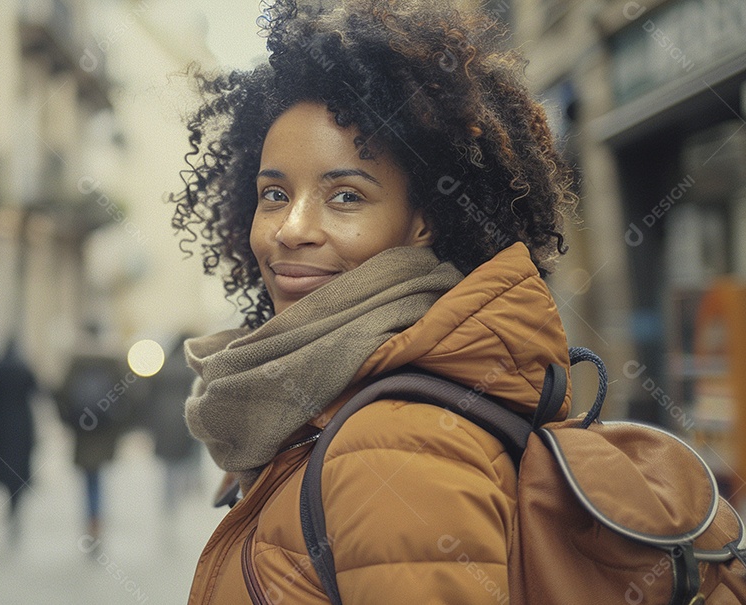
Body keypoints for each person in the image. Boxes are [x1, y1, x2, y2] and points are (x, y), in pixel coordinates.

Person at [169, 0, 577, 602]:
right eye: (275, 193)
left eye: (347, 198)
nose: (291, 229)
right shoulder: (322, 403)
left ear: (425, 221)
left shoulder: (395, 448)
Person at [56, 331, 135, 541]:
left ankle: (91, 519)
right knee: (98, 477)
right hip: (104, 431)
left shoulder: (75, 361)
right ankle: (97, 520)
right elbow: (127, 396)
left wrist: (69, 422)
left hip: (83, 430)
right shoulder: (112, 361)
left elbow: (61, 394)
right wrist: (119, 425)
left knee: (88, 478)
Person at [0, 339, 39, 544]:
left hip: (3, 424)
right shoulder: (24, 368)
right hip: (22, 425)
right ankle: (14, 505)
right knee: (18, 472)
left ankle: (10, 504)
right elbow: (36, 391)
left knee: (6, 470)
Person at [144, 333, 202, 514]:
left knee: (168, 462)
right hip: (183, 416)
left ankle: (169, 498)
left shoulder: (164, 365)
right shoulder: (191, 369)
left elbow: (149, 394)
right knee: (186, 455)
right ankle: (187, 486)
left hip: (163, 418)